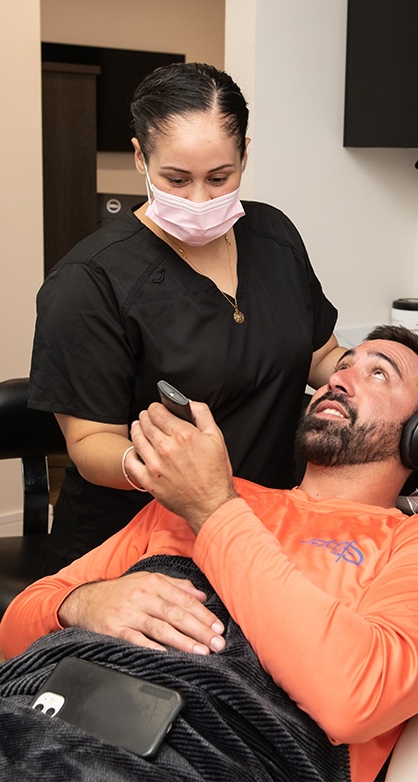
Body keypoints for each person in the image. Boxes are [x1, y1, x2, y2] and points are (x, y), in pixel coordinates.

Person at [0, 325, 418, 782]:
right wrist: (83, 604)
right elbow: (16, 629)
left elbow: (353, 698)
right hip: (24, 711)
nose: (340, 378)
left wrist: (213, 509)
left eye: (379, 374)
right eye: (344, 364)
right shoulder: (199, 496)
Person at [28, 62, 344, 573]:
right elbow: (89, 443)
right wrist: (162, 468)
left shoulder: (274, 236)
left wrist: (389, 378)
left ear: (245, 155)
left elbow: (321, 354)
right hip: (138, 549)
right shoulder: (90, 281)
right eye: (176, 180)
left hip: (262, 526)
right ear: (139, 158)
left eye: (220, 177)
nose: (200, 200)